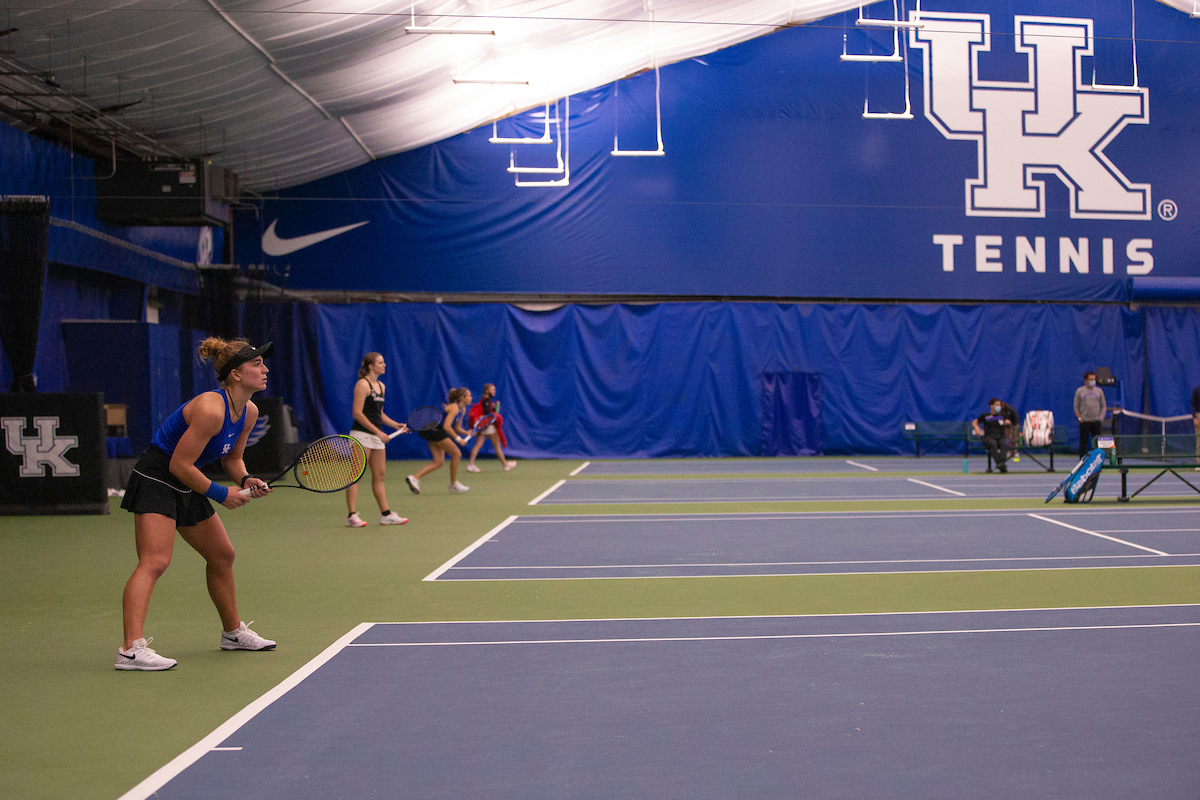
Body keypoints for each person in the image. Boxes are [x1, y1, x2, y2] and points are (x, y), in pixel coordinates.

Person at [116, 338, 276, 671]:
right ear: (235, 374)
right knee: (155, 561)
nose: (265, 369)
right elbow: (178, 465)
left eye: (263, 363)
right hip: (158, 477)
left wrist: (246, 480)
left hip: (187, 480)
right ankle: (130, 649)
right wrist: (222, 494)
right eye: (257, 364)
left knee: (222, 555)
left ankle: (232, 633)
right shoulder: (210, 408)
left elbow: (233, 458)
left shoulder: (249, 412)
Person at [344, 353, 408, 527]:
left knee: (379, 476)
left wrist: (396, 425)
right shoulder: (362, 385)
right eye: (380, 362)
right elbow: (357, 413)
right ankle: (351, 515)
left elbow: (378, 413)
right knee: (356, 475)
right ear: (371, 366)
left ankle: (385, 514)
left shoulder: (381, 386)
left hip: (375, 437)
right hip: (361, 436)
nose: (384, 365)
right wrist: (378, 433)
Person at [406, 387, 473, 494]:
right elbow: (446, 426)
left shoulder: (462, 410)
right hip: (435, 430)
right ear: (462, 398)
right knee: (457, 454)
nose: (471, 397)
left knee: (438, 462)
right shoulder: (455, 407)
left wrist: (466, 433)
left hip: (435, 431)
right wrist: (459, 439)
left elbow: (456, 428)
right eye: (469, 395)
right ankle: (453, 484)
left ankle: (414, 478)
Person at [466, 383, 516, 473]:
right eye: (492, 390)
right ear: (487, 391)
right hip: (489, 427)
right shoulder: (487, 400)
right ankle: (505, 465)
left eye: (494, 390)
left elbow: (486, 412)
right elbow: (487, 413)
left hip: (483, 427)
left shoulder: (484, 400)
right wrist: (494, 410)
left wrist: (494, 409)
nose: (494, 392)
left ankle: (471, 465)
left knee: (477, 445)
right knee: (497, 446)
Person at [972, 398, 1015, 473]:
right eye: (997, 405)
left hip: (1001, 437)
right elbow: (975, 422)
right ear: (991, 406)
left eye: (999, 405)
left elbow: (1009, 423)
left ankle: (1000, 464)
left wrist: (1008, 423)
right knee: (993, 444)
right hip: (989, 437)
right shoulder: (985, 416)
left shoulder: (1002, 415)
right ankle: (1000, 464)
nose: (999, 406)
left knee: (1004, 443)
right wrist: (976, 428)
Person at [1074, 371, 1107, 458]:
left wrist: (1100, 418)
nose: (1093, 381)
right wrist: (1079, 418)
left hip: (1096, 421)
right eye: (1091, 379)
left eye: (1094, 379)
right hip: (1084, 422)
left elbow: (1104, 406)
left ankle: (1098, 460)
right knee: (1083, 443)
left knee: (1097, 443)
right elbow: (1076, 407)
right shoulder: (1080, 391)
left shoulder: (1099, 391)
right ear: (1085, 380)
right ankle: (1082, 463)